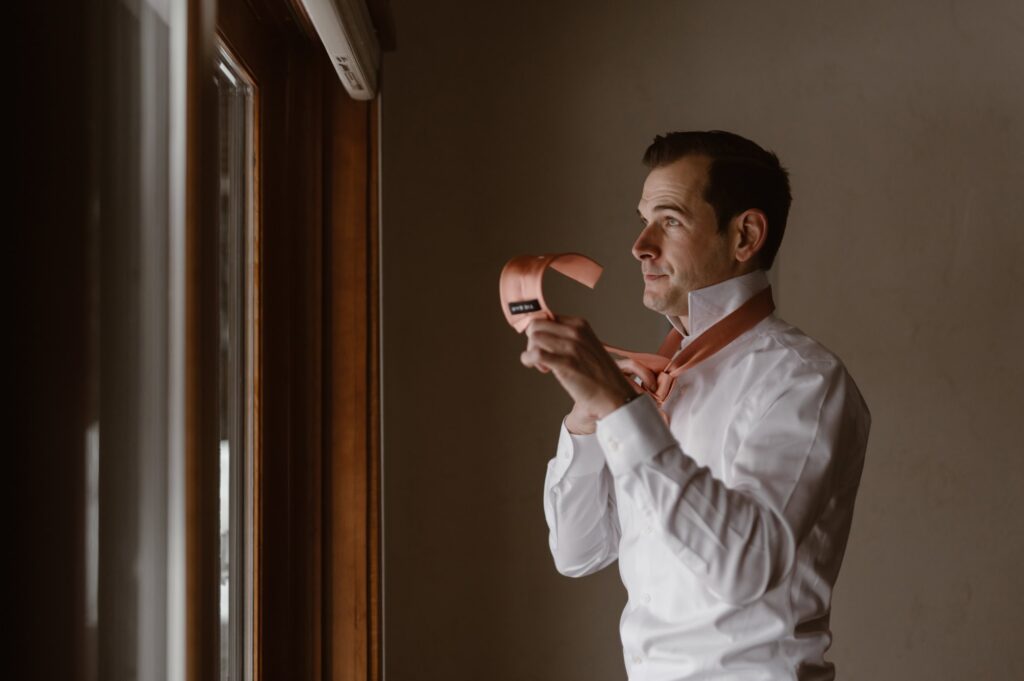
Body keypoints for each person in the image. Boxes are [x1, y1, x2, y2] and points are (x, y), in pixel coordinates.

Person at [520, 131, 871, 681]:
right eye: (643, 220)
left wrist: (620, 410)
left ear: (744, 235)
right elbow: (578, 553)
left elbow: (747, 565)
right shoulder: (658, 383)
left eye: (670, 220)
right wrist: (588, 420)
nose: (640, 245)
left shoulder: (803, 380)